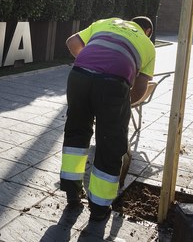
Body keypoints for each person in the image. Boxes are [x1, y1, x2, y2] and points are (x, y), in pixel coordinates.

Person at [60, 16, 156, 221]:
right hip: (113, 84)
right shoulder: (148, 44)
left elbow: (72, 42)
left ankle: (72, 195)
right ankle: (99, 208)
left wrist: (90, 65)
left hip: (78, 77)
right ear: (147, 31)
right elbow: (140, 88)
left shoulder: (107, 22)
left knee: (76, 132)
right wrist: (122, 104)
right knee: (109, 143)